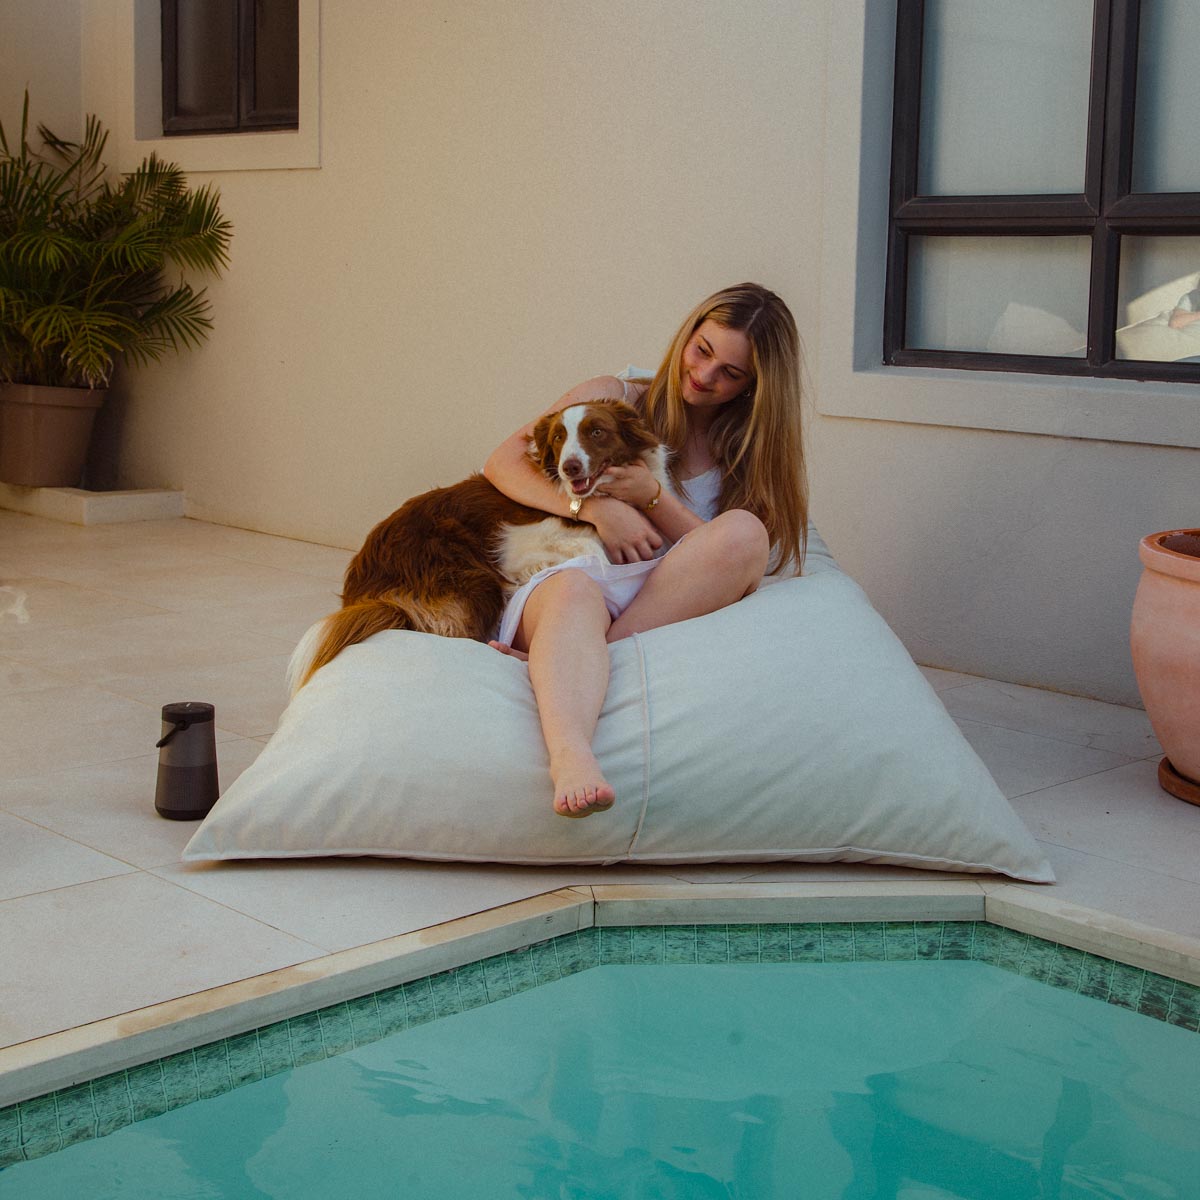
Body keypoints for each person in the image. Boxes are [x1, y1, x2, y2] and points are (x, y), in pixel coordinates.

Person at [483, 282, 808, 818]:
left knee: (745, 531)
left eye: (731, 373)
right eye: (702, 351)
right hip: (576, 573)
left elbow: (739, 557)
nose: (704, 377)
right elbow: (503, 461)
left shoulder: (752, 453)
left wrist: (652, 497)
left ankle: (573, 658)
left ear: (758, 387)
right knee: (574, 589)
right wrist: (590, 509)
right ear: (688, 333)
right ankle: (571, 757)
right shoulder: (618, 396)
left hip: (662, 597)